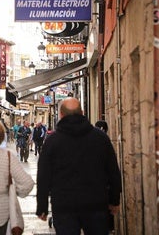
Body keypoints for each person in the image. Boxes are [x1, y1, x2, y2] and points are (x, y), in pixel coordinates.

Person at [36, 98, 122, 234]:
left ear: (61, 115)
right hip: (96, 204)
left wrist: (42, 206)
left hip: (64, 206)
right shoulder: (100, 138)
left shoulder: (52, 141)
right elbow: (113, 171)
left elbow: (43, 176)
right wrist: (114, 200)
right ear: (82, 113)